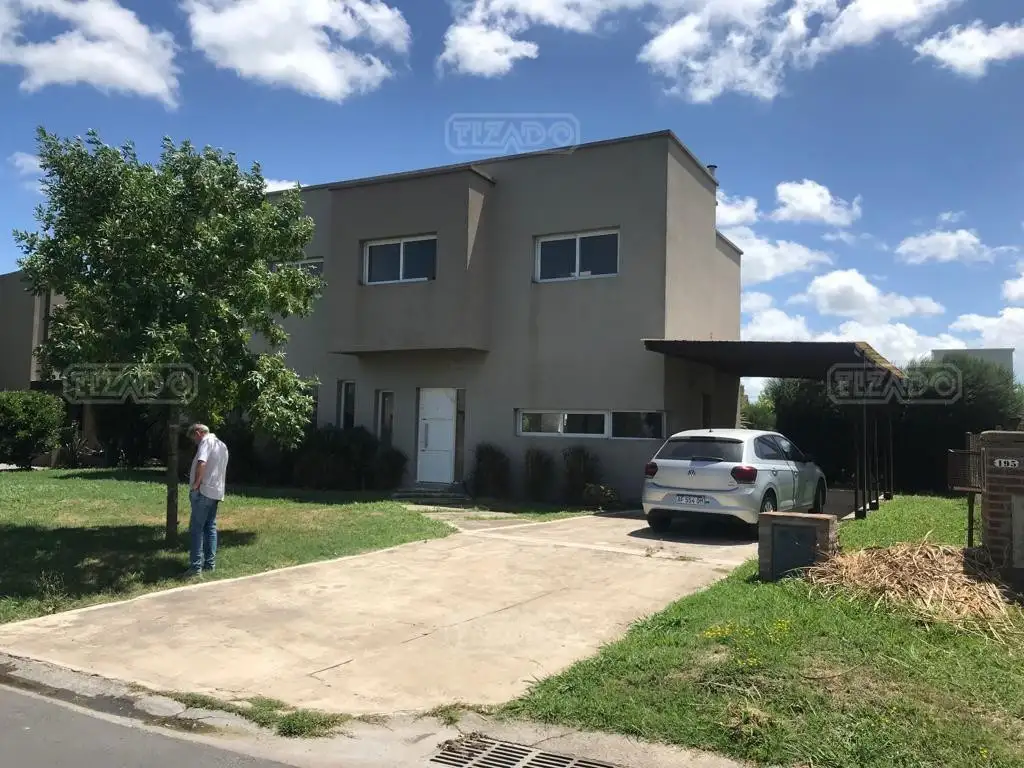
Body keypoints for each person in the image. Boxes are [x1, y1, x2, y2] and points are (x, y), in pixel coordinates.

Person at [184, 423, 229, 579]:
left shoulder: (206, 442)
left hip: (203, 491)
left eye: (194, 439)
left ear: (198, 433)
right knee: (210, 527)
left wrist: (196, 484)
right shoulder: (222, 445)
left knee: (196, 529)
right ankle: (210, 564)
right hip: (216, 492)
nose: (194, 443)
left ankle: (195, 568)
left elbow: (201, 462)